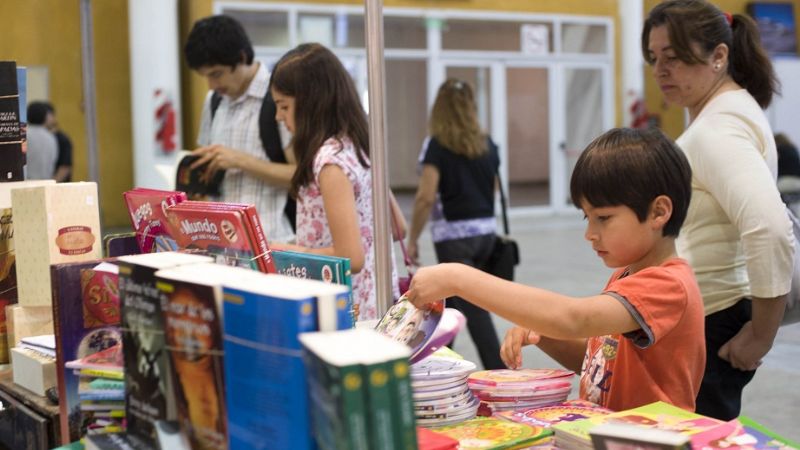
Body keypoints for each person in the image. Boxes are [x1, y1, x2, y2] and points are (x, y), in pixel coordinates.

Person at [406, 127, 706, 412]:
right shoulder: (629, 275)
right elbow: (598, 364)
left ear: (658, 212)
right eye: (586, 217)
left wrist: (458, 277)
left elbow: (575, 319)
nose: (590, 233)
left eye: (603, 218)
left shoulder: (668, 285)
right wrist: (545, 335)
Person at [642, 0, 793, 420]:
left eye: (673, 58)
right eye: (655, 58)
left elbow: (769, 228)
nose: (660, 70)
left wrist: (760, 336)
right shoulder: (728, 114)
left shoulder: (718, 129)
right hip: (706, 312)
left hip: (712, 318)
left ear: (719, 56)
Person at [268, 43, 399, 321]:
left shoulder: (330, 163)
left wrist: (286, 250)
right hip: (375, 303)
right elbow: (399, 227)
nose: (279, 117)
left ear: (312, 102)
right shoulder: (361, 145)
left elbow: (350, 257)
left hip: (345, 310)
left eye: (284, 106)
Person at [406, 78, 505, 370]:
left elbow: (426, 196)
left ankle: (502, 373)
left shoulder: (437, 146)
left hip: (453, 237)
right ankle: (437, 362)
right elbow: (494, 188)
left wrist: (412, 238)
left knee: (473, 307)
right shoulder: (487, 144)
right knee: (455, 300)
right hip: (486, 234)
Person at [184, 15, 295, 242]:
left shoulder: (279, 97)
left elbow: (303, 177)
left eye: (216, 74)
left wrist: (240, 161)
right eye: (205, 77)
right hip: (222, 243)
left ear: (241, 57)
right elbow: (207, 173)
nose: (212, 85)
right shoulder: (214, 101)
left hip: (274, 243)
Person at [37, 101, 72, 182]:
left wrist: (51, 185)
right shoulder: (40, 138)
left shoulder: (62, 139)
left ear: (52, 116)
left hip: (58, 187)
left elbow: (65, 168)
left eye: (45, 116)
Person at [25, 102, 58, 180]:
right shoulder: (51, 137)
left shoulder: (24, 135)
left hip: (26, 182)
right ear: (45, 117)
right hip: (46, 182)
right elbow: (53, 159)